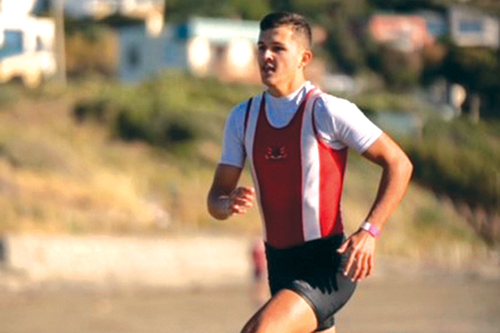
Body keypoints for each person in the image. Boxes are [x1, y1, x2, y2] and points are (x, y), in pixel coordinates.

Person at [207, 12, 413, 333]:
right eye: (261, 47)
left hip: (327, 264)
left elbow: (399, 163)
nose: (266, 56)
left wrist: (370, 231)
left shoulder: (329, 110)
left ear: (304, 58)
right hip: (279, 264)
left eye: (277, 48)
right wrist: (225, 203)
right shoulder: (242, 118)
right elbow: (215, 198)